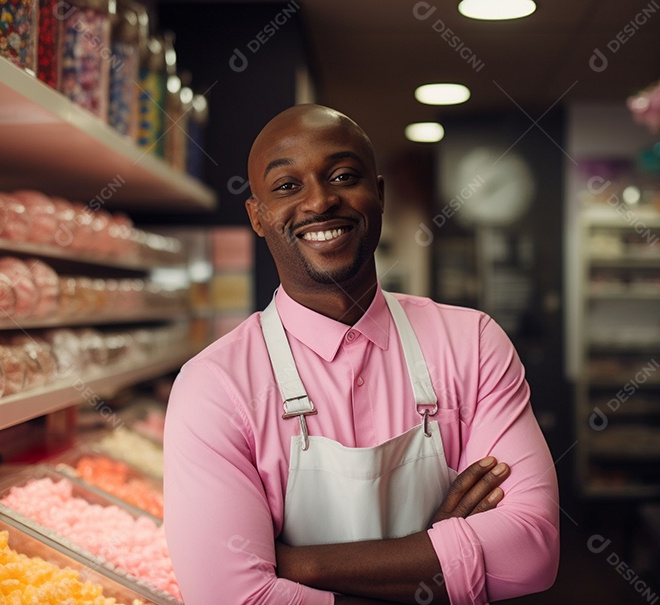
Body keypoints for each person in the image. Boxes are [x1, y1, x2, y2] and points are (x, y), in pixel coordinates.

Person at [163, 104, 559, 604]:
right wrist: (442, 556)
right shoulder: (214, 386)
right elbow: (234, 597)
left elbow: (532, 553)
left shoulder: (473, 342)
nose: (320, 202)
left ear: (379, 195)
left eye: (343, 176)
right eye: (287, 186)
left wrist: (298, 563)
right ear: (258, 216)